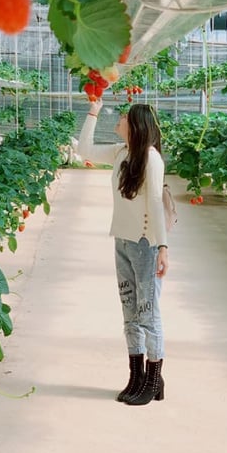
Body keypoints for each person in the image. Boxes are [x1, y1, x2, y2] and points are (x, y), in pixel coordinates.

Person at [78, 98, 169, 406]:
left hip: (144, 244)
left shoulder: (151, 159)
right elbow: (84, 151)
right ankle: (136, 375)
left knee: (148, 313)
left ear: (134, 125)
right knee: (130, 311)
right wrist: (92, 112)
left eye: (122, 117)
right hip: (122, 242)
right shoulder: (121, 153)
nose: (117, 120)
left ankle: (154, 379)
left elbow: (156, 204)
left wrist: (163, 247)